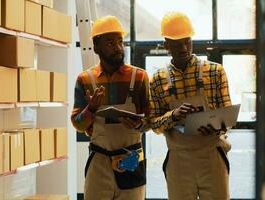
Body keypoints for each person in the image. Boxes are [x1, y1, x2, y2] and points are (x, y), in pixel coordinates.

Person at [149, 12, 232, 200]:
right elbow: (153, 124)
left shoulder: (215, 71)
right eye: (177, 44)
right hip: (179, 158)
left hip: (212, 153)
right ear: (166, 45)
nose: (184, 48)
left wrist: (217, 125)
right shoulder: (157, 80)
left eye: (187, 41)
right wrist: (174, 115)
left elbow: (228, 116)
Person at [71, 15, 150, 200]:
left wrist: (139, 124)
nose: (118, 47)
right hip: (99, 161)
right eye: (110, 43)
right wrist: (90, 109)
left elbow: (152, 121)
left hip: (131, 159)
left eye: (120, 41)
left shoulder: (139, 77)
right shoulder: (85, 80)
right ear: (96, 47)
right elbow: (78, 125)